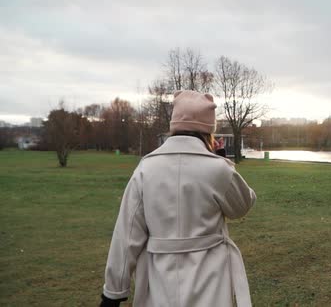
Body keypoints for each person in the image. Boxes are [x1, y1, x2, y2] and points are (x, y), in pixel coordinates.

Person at [100, 91, 256, 307]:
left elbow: (126, 235)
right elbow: (242, 206)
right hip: (211, 283)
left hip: (159, 283)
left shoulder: (146, 168)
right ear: (208, 131)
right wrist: (222, 163)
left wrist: (113, 293)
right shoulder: (217, 169)